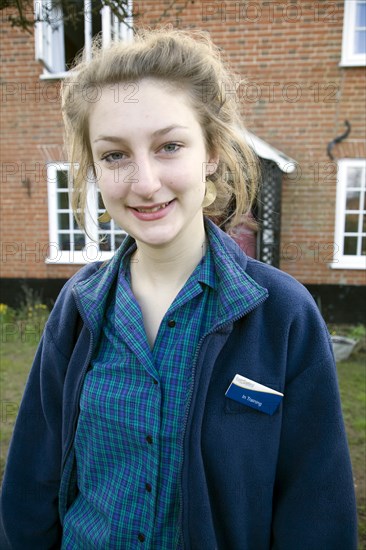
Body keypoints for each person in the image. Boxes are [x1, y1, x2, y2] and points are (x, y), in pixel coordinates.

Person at [0, 28, 357, 549]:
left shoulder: (284, 315)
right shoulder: (78, 308)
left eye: (169, 146)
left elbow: (315, 508)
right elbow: (31, 484)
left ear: (211, 151)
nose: (144, 182)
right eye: (115, 155)